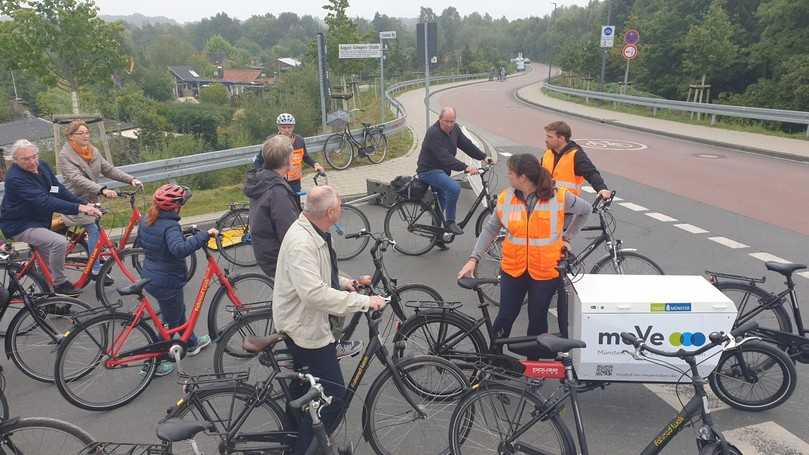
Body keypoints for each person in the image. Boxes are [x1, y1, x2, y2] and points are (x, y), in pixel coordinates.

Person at [273, 185, 386, 455]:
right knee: (334, 397)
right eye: (341, 205)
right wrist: (364, 302)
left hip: (307, 321)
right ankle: (303, 449)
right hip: (304, 328)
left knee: (304, 391)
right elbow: (314, 294)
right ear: (331, 212)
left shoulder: (315, 230)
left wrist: (348, 283)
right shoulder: (302, 242)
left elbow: (320, 275)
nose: (343, 209)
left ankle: (300, 438)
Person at [458, 154, 590, 346]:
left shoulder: (559, 196)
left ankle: (534, 368)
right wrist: (473, 259)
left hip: (545, 272)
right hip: (513, 269)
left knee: (537, 320)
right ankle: (493, 359)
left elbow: (585, 210)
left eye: (510, 173)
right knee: (505, 316)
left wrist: (567, 237)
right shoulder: (506, 197)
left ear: (523, 177)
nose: (508, 176)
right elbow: (490, 229)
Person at [0, 139, 102, 296]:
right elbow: (43, 201)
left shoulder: (42, 167)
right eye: (26, 159)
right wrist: (79, 208)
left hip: (39, 221)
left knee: (48, 266)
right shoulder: (15, 178)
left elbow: (57, 189)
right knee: (59, 242)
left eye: (34, 156)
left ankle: (51, 302)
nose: (32, 162)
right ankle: (60, 283)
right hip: (20, 224)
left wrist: (83, 203)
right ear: (15, 160)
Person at [138, 184, 216, 376]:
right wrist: (204, 236)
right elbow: (179, 250)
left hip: (150, 275)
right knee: (170, 322)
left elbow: (148, 241)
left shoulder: (147, 219)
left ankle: (191, 342)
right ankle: (154, 363)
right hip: (167, 280)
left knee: (177, 311)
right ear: (176, 206)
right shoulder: (170, 226)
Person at [58, 120, 143, 283]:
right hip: (74, 201)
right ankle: (95, 270)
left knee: (97, 228)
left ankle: (96, 254)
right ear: (70, 137)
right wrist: (102, 189)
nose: (85, 135)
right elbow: (76, 179)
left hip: (92, 198)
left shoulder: (92, 151)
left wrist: (130, 179)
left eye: (87, 132)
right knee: (93, 230)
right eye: (80, 133)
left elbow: (108, 169)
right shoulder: (65, 155)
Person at [416, 107, 489, 235]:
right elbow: (445, 158)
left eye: (452, 121)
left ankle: (437, 236)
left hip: (442, 172)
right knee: (454, 188)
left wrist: (484, 157)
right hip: (429, 171)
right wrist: (465, 167)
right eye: (446, 121)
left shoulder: (455, 129)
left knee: (441, 204)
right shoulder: (433, 133)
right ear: (440, 119)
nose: (450, 125)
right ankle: (450, 222)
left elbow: (466, 145)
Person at [245, 135, 300, 280]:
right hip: (278, 258)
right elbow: (290, 232)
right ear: (288, 160)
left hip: (265, 251)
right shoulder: (277, 192)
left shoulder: (262, 179)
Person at [540, 121, 611, 208]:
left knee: (585, 211)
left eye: (550, 137)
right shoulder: (548, 153)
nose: (546, 140)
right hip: (547, 204)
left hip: (567, 207)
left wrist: (601, 189)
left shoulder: (576, 155)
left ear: (561, 139)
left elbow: (591, 173)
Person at [253, 113, 324, 196]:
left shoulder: (299, 140)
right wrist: (263, 178)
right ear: (278, 127)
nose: (287, 130)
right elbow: (258, 160)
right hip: (278, 181)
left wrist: (315, 164)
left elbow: (305, 157)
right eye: (283, 127)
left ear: (293, 127)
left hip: (295, 180)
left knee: (296, 205)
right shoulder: (272, 141)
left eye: (289, 127)